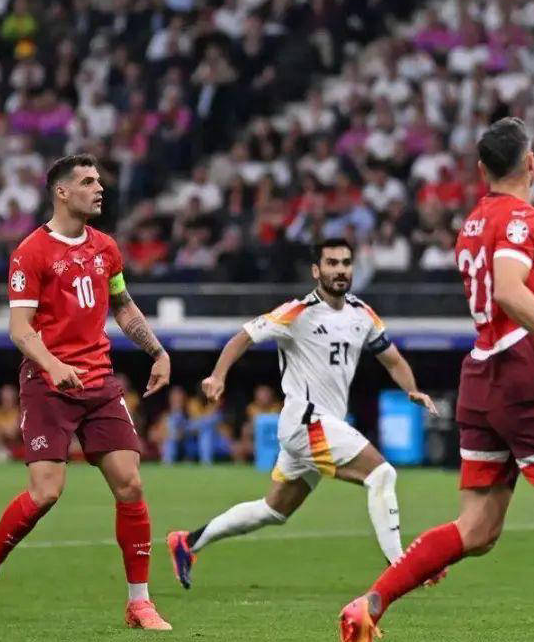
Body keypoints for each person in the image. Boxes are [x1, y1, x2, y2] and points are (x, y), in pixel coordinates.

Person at [338, 118, 534, 642]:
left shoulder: (473, 221)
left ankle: (371, 602)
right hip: (521, 377)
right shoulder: (520, 218)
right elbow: (511, 292)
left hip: (482, 376)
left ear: (481, 169)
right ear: (531, 163)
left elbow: (527, 295)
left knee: (478, 528)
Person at [0, 154, 173, 630]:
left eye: (99, 181)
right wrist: (53, 365)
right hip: (47, 383)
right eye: (88, 182)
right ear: (62, 192)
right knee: (45, 493)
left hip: (98, 380)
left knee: (131, 483)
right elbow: (20, 329)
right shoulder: (31, 252)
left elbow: (122, 305)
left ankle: (139, 602)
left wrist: (157, 350)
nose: (99, 188)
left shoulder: (106, 248)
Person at [166, 238, 437, 590]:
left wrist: (412, 389)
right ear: (316, 270)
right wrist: (218, 376)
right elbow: (243, 337)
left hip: (323, 425)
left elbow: (393, 359)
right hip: (307, 421)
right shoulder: (297, 312)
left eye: (346, 263)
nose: (340, 270)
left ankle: (187, 542)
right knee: (381, 474)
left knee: (273, 510)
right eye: (332, 263)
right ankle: (401, 566)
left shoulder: (362, 313)